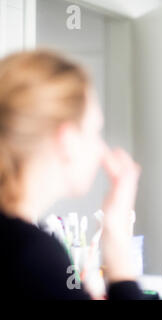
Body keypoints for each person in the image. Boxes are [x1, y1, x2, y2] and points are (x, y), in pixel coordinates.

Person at [0, 50, 142, 299]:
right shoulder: (33, 255)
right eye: (94, 131)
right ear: (67, 140)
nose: (101, 149)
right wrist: (116, 233)